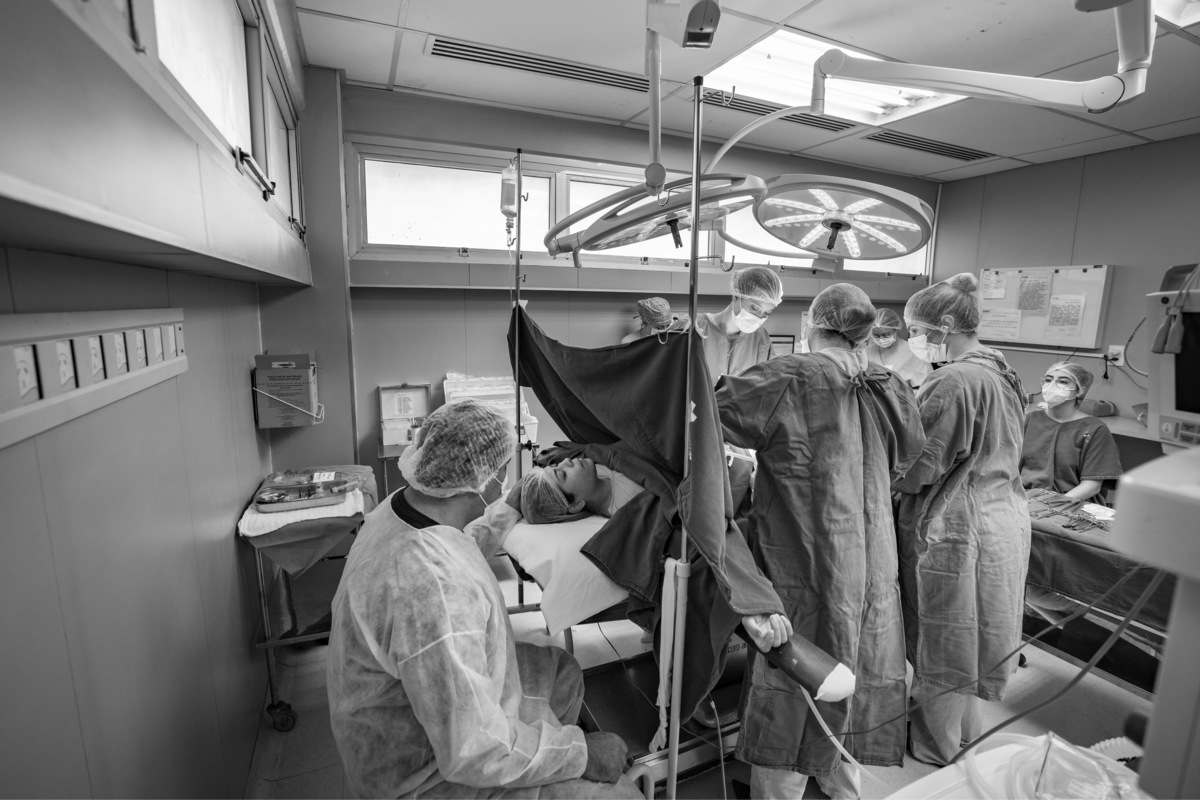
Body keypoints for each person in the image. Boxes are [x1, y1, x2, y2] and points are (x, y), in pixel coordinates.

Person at [326, 399, 641, 799]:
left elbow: (461, 546)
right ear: (485, 477)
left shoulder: (402, 509)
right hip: (428, 775)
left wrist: (509, 508)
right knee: (620, 795)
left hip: (429, 705)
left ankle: (545, 756)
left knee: (561, 670)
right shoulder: (433, 591)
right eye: (505, 468)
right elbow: (473, 750)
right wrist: (581, 754)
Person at [716, 283, 927, 800]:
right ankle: (840, 784)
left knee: (796, 675)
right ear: (862, 333)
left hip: (807, 556)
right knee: (855, 667)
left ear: (812, 323)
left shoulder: (788, 375)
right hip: (871, 557)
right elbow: (907, 458)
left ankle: (780, 788)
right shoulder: (891, 385)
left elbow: (704, 419)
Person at [893, 273, 1032, 767]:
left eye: (916, 329)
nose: (914, 339)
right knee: (977, 638)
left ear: (946, 324)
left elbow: (918, 465)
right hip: (1003, 516)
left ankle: (937, 746)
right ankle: (966, 733)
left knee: (946, 638)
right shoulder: (1001, 370)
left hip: (958, 527)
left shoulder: (954, 380)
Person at [1021, 361, 1122, 501]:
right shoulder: (1029, 420)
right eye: (1048, 380)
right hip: (1026, 499)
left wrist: (1052, 505)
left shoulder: (1095, 430)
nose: (1052, 386)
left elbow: (1091, 486)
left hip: (1072, 503)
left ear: (1080, 390)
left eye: (1063, 382)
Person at [693, 266, 783, 386]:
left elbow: (767, 384)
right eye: (755, 308)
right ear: (736, 296)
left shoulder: (760, 339)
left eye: (766, 313)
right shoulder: (696, 328)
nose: (759, 317)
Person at [863, 308, 932, 389]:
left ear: (895, 329)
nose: (881, 339)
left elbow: (926, 389)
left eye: (886, 335)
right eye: (876, 336)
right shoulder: (866, 352)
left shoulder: (915, 353)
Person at [619, 296, 687, 344]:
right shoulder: (629, 342)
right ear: (645, 321)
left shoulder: (670, 339)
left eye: (668, 325)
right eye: (659, 327)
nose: (665, 330)